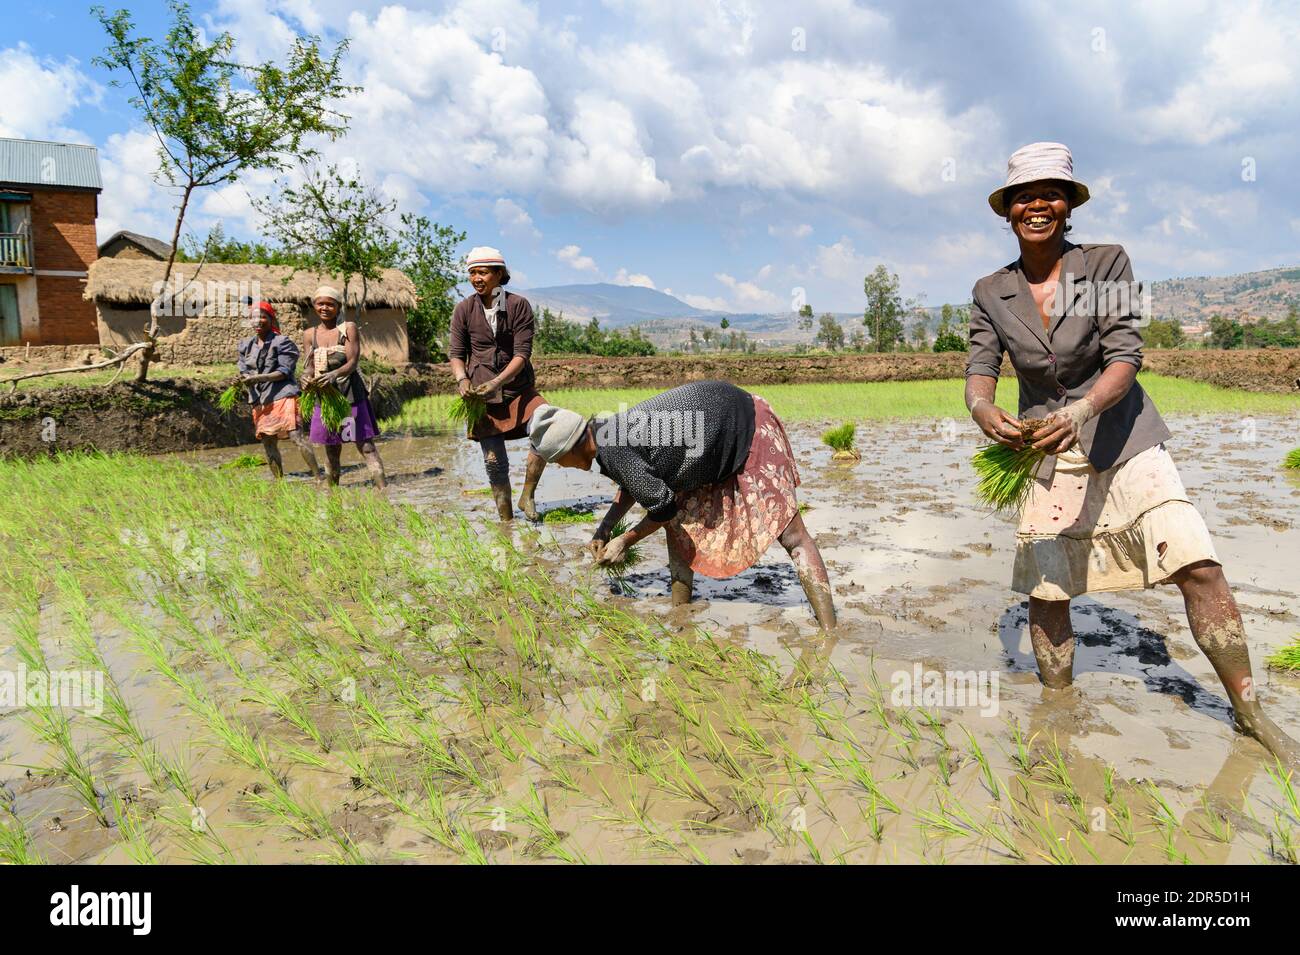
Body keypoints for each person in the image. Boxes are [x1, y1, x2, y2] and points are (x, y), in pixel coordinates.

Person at [965, 141, 1298, 768]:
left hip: (1121, 433)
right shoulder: (993, 290)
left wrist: (1083, 410)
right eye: (1023, 196)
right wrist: (984, 412)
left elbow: (1124, 356)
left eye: (1050, 194)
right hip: (1043, 444)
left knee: (1197, 563)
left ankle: (1249, 711)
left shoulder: (1102, 265)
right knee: (1047, 587)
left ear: (1068, 205)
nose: (1037, 205)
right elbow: (981, 370)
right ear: (1007, 210)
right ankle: (1057, 706)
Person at [528, 380, 836, 630]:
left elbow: (662, 507)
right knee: (677, 528)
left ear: (571, 447)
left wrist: (625, 540)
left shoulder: (613, 448)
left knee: (792, 536)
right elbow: (636, 482)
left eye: (559, 461)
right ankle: (681, 611)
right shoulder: (605, 431)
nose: (562, 467)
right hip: (712, 433)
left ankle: (829, 630)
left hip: (745, 425)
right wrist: (604, 528)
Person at [448, 246, 548, 521]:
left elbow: (521, 354)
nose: (476, 278)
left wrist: (498, 381)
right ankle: (506, 520)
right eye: (471, 273)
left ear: (499, 274)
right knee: (494, 463)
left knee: (546, 427)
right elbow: (457, 354)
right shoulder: (464, 309)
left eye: (482, 272)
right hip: (482, 395)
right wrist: (462, 379)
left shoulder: (517, 305)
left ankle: (527, 495)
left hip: (518, 388)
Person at [301, 285, 387, 490]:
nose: (325, 308)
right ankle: (333, 493)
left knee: (365, 446)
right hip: (325, 398)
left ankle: (383, 490)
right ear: (314, 306)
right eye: (320, 304)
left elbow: (352, 362)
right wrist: (305, 379)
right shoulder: (309, 334)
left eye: (330, 304)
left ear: (338, 307)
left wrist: (334, 374)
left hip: (350, 395)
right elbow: (309, 367)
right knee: (331, 449)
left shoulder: (347, 329)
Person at [235, 301, 320, 481]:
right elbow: (244, 370)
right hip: (260, 399)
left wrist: (255, 378)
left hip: (283, 394)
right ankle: (280, 482)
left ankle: (318, 477)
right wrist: (241, 380)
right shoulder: (246, 345)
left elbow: (284, 372)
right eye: (254, 318)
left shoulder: (283, 342)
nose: (258, 321)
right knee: (268, 441)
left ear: (271, 319)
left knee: (296, 437)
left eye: (263, 317)